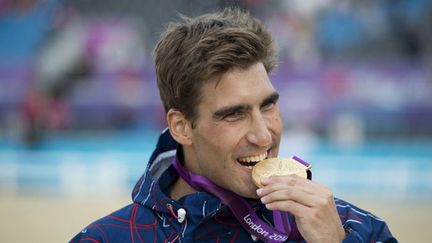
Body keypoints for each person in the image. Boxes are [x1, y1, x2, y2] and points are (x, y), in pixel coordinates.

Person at [70, 8, 397, 243]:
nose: (264, 135)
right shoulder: (106, 238)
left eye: (268, 105)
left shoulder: (355, 230)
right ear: (181, 127)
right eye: (234, 114)